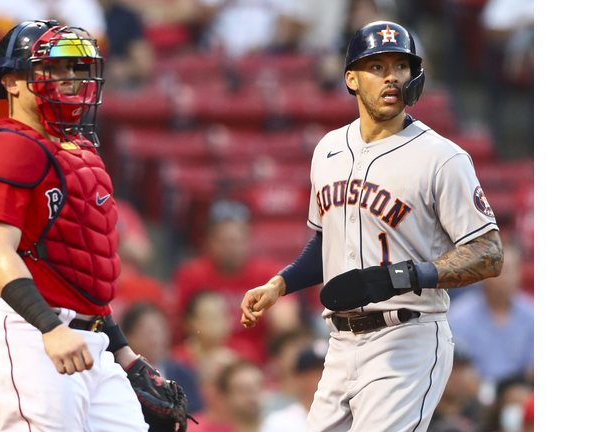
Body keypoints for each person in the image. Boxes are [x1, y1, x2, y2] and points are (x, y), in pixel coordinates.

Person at [239, 20, 505, 432]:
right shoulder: (328, 149)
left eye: (400, 65)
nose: (392, 76)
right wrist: (281, 283)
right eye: (377, 67)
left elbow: (489, 254)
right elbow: (327, 239)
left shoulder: (443, 157)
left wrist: (405, 276)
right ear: (351, 79)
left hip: (407, 338)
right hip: (341, 344)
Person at [0, 20, 187, 432]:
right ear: (12, 82)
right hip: (31, 332)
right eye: (55, 68)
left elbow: (83, 271)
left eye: (75, 69)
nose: (69, 79)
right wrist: (48, 326)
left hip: (90, 339)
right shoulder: (9, 145)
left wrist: (123, 351)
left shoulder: (78, 150)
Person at [173, 200, 294, 366]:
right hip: (201, 359)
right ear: (209, 240)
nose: (231, 247)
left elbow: (286, 322)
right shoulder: (191, 275)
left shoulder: (268, 274)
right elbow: (178, 324)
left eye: (236, 240)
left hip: (255, 362)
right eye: (223, 240)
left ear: (248, 239)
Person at [447, 239, 534, 385]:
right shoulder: (459, 317)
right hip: (471, 396)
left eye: (513, 270)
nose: (508, 278)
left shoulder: (531, 314)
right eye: (502, 270)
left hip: (519, 391)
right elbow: (455, 368)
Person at [120, 301, 203, 414]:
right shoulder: (121, 377)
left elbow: (195, 414)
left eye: (159, 330)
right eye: (147, 332)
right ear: (128, 337)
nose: (155, 339)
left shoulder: (183, 374)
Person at [260, 341, 328, 432]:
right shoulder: (279, 423)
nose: (327, 376)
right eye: (319, 371)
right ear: (300, 378)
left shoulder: (349, 418)